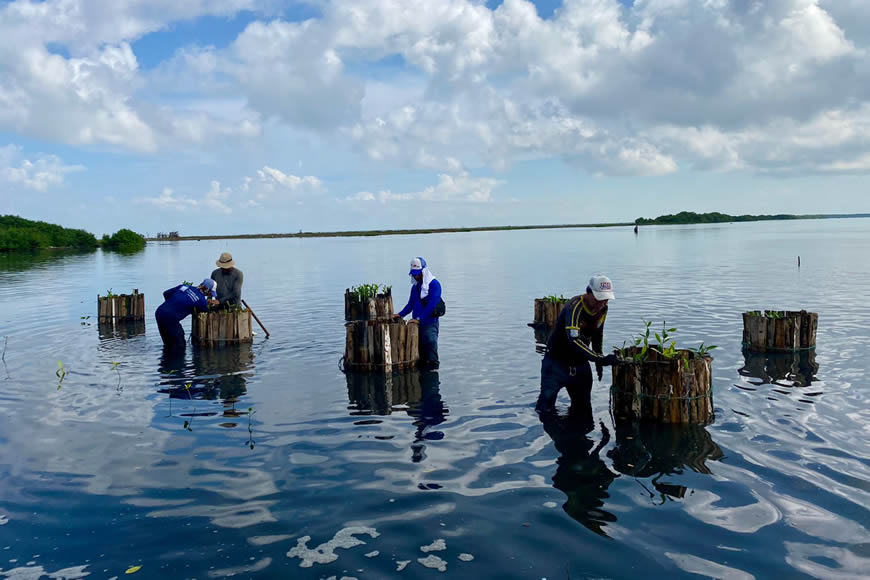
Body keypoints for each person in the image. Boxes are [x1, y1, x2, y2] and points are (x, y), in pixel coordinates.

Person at [535, 274, 619, 414]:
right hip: (556, 363)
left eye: (606, 300)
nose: (602, 303)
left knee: (583, 409)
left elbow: (598, 335)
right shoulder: (574, 308)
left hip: (579, 364)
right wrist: (600, 359)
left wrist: (599, 362)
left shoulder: (603, 308)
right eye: (599, 299)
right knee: (545, 409)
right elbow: (574, 341)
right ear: (589, 293)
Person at [393, 257, 442, 369]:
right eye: (414, 274)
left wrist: (419, 319)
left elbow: (432, 305)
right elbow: (410, 304)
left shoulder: (434, 285)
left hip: (429, 324)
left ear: (424, 271)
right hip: (416, 325)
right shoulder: (415, 288)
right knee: (419, 352)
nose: (416, 276)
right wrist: (400, 314)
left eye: (418, 273)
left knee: (430, 346)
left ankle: (432, 372)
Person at [155, 279, 218, 349]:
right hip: (170, 318)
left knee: (168, 343)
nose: (209, 295)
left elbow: (165, 293)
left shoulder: (185, 286)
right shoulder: (201, 300)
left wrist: (172, 305)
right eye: (210, 293)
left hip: (159, 312)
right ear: (207, 290)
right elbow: (207, 312)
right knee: (180, 345)